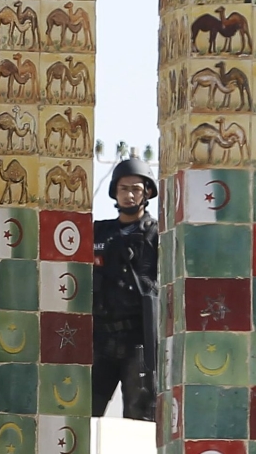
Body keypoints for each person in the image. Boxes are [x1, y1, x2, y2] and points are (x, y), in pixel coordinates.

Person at [91, 158, 159, 421]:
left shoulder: (157, 234)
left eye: (136, 189)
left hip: (138, 339)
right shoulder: (98, 232)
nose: (129, 195)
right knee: (83, 413)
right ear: (114, 192)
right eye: (123, 188)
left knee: (140, 416)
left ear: (148, 192)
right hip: (101, 339)